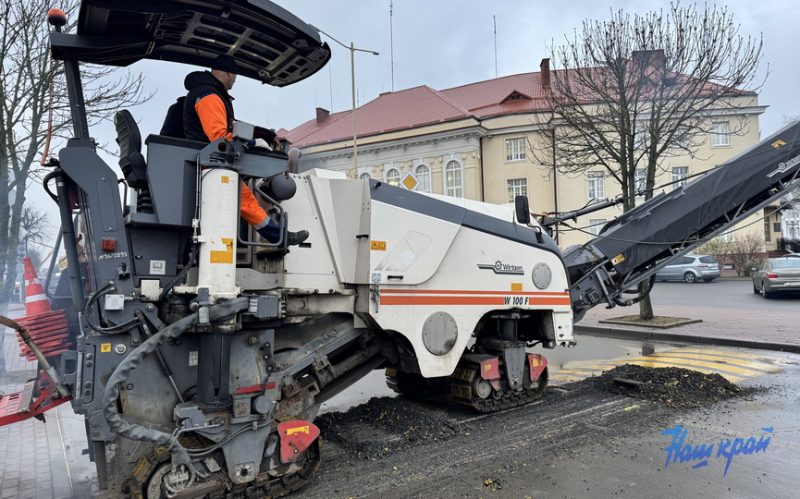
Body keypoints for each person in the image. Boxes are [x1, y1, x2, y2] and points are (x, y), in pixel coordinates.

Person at [182, 54, 308, 246]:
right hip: (211, 163)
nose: (234, 82)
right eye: (235, 78)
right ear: (227, 73)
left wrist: (266, 134)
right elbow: (219, 136)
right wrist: (253, 143)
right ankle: (280, 237)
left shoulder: (211, 93)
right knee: (245, 201)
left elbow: (234, 126)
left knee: (246, 201)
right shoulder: (209, 95)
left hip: (211, 162)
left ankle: (280, 237)